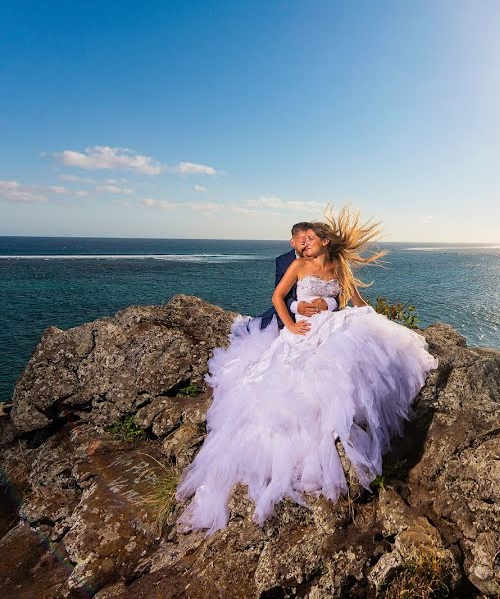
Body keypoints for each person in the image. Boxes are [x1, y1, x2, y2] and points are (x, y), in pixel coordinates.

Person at [175, 207, 437, 534]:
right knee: (291, 387)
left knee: (346, 367)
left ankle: (343, 425)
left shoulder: (339, 265)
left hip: (332, 324)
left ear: (325, 241)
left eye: (310, 238)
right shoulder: (298, 264)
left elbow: (353, 300)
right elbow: (278, 296)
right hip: (303, 329)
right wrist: (291, 325)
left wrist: (373, 321)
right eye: (302, 239)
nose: (304, 243)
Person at [254, 221, 338, 331]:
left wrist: (329, 303)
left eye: (310, 239)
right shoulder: (284, 262)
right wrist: (296, 307)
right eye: (303, 242)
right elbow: (280, 295)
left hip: (329, 321)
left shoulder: (335, 264)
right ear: (293, 243)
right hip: (294, 318)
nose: (307, 245)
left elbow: (342, 294)